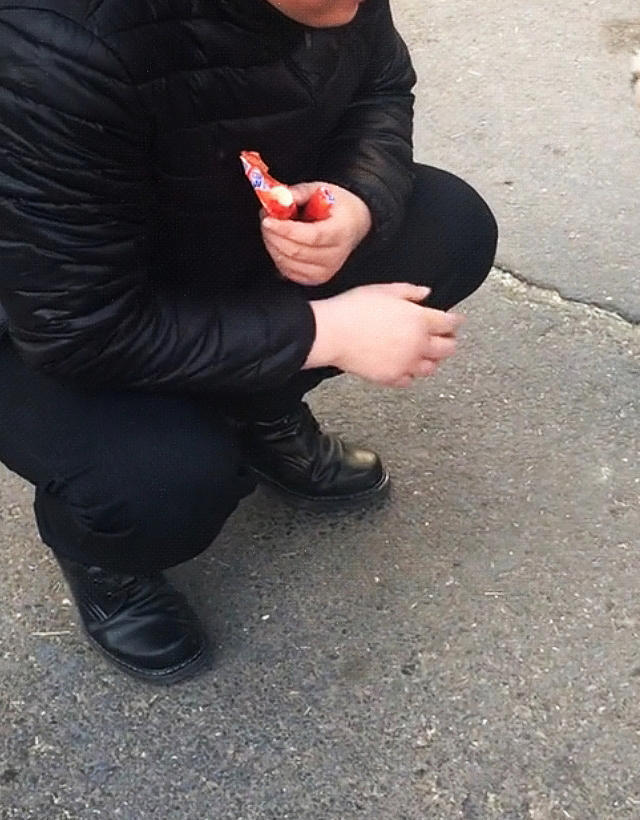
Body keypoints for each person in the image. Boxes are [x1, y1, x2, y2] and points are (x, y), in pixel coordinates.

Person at [0, 0, 497, 683]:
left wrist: (354, 202)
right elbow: (74, 325)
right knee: (159, 480)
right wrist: (327, 330)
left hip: (194, 231)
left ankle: (258, 410)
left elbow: (380, 85)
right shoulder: (52, 44)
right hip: (42, 310)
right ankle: (105, 554)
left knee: (449, 225)